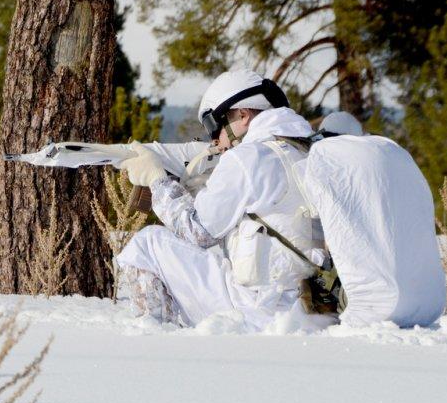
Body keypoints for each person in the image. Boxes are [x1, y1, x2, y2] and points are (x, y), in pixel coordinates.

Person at [115, 69, 326, 330]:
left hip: (258, 311)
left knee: (146, 244)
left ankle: (158, 338)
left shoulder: (247, 157)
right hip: (313, 308)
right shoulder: (313, 151)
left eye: (213, 126)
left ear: (243, 115)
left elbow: (197, 232)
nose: (214, 140)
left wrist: (157, 180)